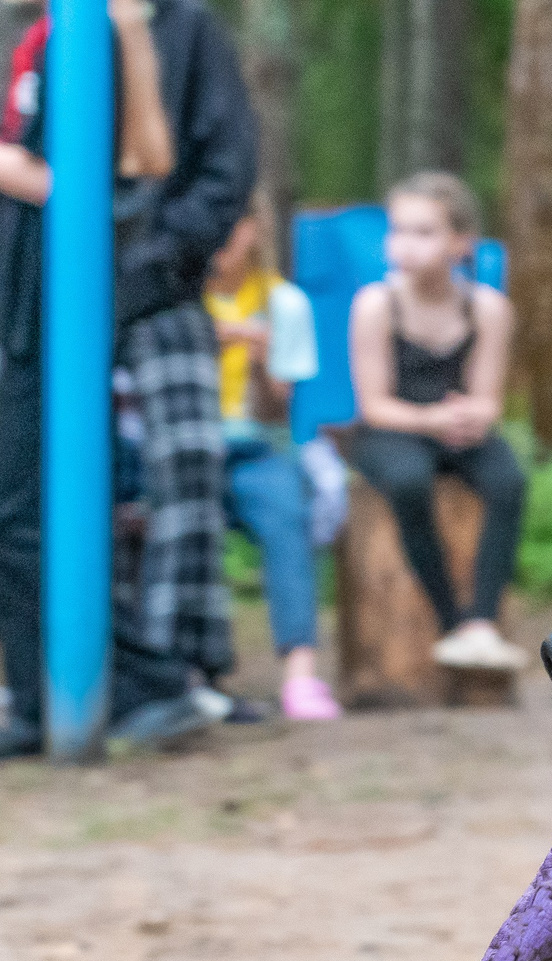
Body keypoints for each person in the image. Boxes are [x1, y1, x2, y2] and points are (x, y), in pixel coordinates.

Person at [0, 0, 257, 760]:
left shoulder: (130, 30)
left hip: (96, 297)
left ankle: (153, 684)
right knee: (21, 514)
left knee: (51, 507)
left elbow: (103, 176)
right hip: (37, 301)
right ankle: (39, 697)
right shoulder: (60, 31)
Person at [347, 172, 528, 672]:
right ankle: (452, 622)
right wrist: (434, 418)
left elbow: (489, 399)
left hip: (454, 430)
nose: (405, 245)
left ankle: (482, 622)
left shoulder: (488, 309)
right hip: (392, 431)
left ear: (461, 242)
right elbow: (374, 405)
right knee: (409, 480)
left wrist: (474, 416)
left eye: (424, 232)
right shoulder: (376, 305)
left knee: (507, 480)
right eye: (398, 230)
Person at [204, 195, 339, 719]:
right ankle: (190, 671)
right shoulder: (179, 299)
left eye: (228, 229)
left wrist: (258, 362)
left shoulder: (283, 303)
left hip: (256, 445)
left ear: (251, 231)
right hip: (189, 446)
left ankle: (300, 673)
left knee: (286, 510)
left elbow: (278, 413)